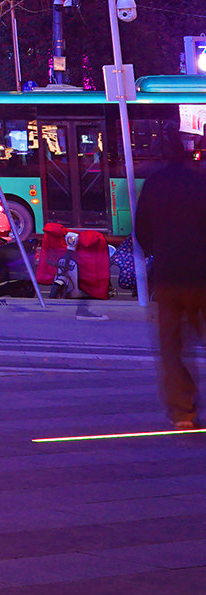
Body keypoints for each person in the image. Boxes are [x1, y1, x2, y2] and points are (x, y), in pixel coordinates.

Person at [136, 134, 206, 429]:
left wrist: (159, 254)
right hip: (203, 275)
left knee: (172, 348)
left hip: (169, 278)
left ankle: (182, 411)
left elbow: (142, 232)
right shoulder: (202, 182)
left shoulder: (154, 183)